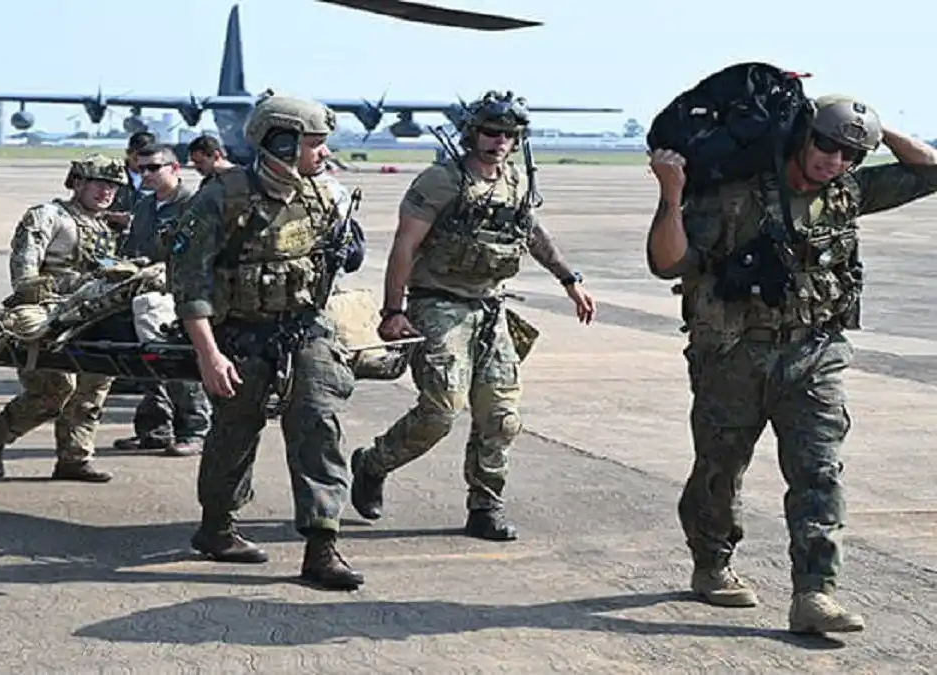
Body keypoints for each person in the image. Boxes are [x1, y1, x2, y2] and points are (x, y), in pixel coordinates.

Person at [646, 95, 937, 634]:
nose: (837, 161)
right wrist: (672, 195)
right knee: (719, 469)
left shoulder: (847, 192)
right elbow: (668, 263)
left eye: (852, 153)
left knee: (818, 472)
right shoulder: (733, 197)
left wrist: (871, 126)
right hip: (733, 356)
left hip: (814, 355)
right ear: (801, 135)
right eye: (827, 143)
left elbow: (930, 171)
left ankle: (815, 594)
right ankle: (711, 563)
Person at [348, 90, 595, 541]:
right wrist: (392, 311)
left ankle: (486, 504)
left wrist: (569, 278)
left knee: (501, 416)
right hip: (438, 304)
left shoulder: (517, 181)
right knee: (441, 410)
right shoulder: (441, 180)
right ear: (472, 133)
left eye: (509, 135)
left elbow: (533, 234)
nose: (500, 141)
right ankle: (372, 463)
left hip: (490, 308)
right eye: (492, 132)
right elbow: (405, 245)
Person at [170, 93, 366, 590]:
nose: (323, 154)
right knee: (235, 430)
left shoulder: (322, 194)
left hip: (304, 329)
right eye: (314, 144)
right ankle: (216, 527)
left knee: (318, 423)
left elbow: (342, 255)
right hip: (239, 334)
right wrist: (209, 355)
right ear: (282, 142)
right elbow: (190, 284)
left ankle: (322, 546)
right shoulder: (221, 196)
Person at [0, 154, 129, 483]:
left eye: (113, 186)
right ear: (78, 182)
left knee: (94, 387)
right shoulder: (48, 217)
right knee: (53, 390)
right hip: (48, 317)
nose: (107, 192)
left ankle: (74, 457)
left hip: (92, 318)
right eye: (100, 183)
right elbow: (24, 277)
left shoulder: (105, 226)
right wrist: (71, 290)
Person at [111, 143, 211, 456]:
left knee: (178, 362)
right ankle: (155, 429)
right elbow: (134, 248)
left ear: (174, 168)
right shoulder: (144, 206)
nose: (147, 175)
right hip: (142, 293)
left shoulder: (194, 204)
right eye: (141, 169)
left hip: (179, 295)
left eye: (154, 168)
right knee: (145, 363)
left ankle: (194, 430)